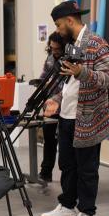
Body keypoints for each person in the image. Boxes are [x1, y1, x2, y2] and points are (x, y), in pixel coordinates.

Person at [41, 0, 109, 216]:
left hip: (88, 118)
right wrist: (56, 99)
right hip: (67, 116)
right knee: (68, 165)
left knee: (87, 168)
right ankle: (67, 206)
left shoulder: (96, 44)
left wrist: (82, 72)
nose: (58, 28)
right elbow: (70, 83)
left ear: (70, 21)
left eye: (58, 24)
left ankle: (87, 214)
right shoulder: (70, 45)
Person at [38, 32, 67, 183]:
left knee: (64, 141)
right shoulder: (50, 58)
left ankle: (67, 176)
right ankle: (45, 172)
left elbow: (69, 86)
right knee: (48, 138)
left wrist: (56, 98)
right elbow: (44, 76)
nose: (54, 52)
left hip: (65, 104)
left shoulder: (68, 60)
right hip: (50, 103)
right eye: (52, 48)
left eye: (57, 49)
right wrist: (41, 85)